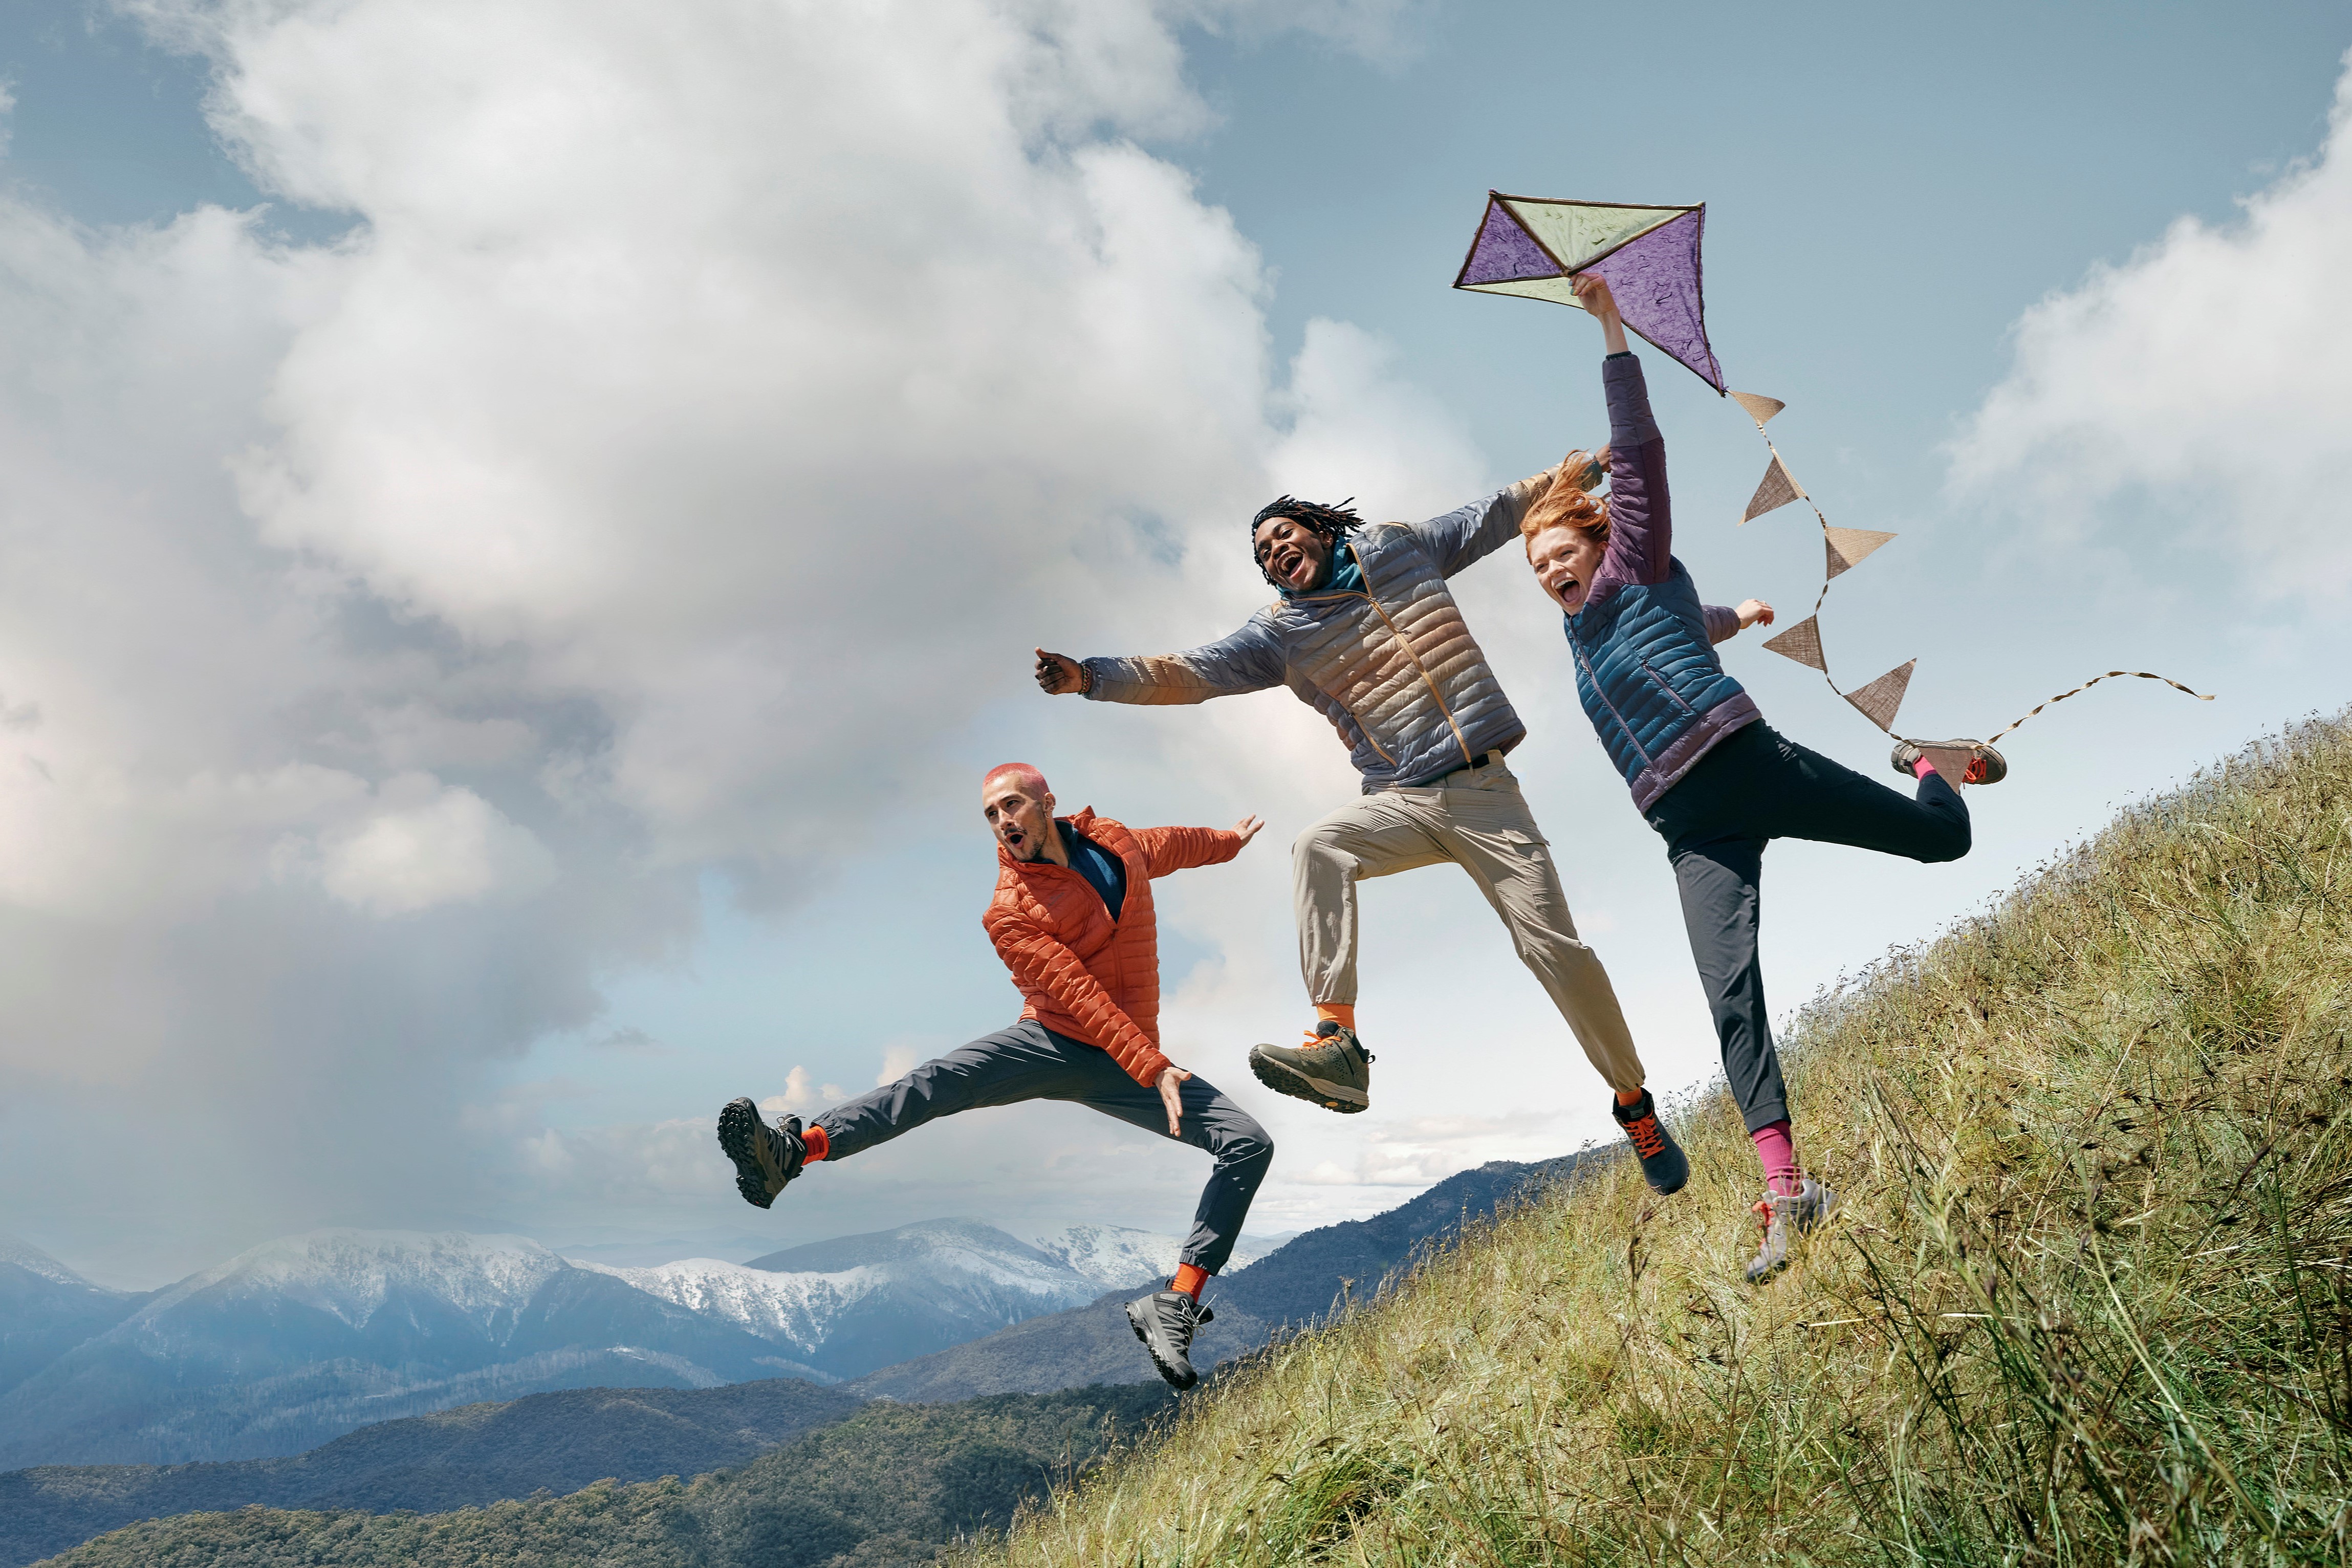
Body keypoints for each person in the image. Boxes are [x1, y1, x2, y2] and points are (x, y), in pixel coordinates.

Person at [1032, 454, 1692, 1202]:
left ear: (1318, 529)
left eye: (1285, 536)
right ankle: (1337, 1044)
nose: (1277, 552)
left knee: (1556, 952)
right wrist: (1089, 676)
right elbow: (1190, 673)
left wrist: (1584, 468)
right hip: (1401, 801)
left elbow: (1497, 514)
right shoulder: (1279, 634)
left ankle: (1634, 1105)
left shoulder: (1399, 549)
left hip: (1485, 792)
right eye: (1263, 555)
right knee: (1319, 844)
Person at [1520, 272, 2005, 1283]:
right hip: (1691, 832)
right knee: (1730, 999)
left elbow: (1642, 455)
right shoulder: (1590, 632)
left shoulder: (1634, 560)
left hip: (1751, 764)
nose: (1554, 578)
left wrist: (1611, 328)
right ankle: (1790, 1193)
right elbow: (1670, 638)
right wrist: (1734, 621)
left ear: (1598, 541)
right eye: (1540, 573)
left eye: (1562, 557)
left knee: (1941, 839)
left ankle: (1927, 763)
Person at [715, 764, 1273, 1389]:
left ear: (1046, 804)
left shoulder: (1115, 842)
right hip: (1057, 1039)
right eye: (990, 814)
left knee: (1248, 1143)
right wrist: (1154, 1065)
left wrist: (1226, 842)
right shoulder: (1010, 911)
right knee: (938, 1082)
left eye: (1012, 805)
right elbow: (1078, 993)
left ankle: (1176, 1303)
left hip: (1132, 1060)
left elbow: (1171, 846)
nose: (1003, 821)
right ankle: (795, 1150)